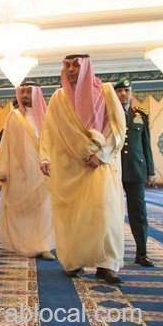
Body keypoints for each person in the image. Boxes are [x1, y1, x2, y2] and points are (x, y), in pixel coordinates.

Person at [40, 54, 126, 284]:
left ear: (86, 66)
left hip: (99, 164)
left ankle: (106, 264)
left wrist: (101, 154)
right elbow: (48, 130)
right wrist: (45, 157)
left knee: (103, 211)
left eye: (75, 65)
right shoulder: (58, 98)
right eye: (66, 65)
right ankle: (75, 260)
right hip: (69, 166)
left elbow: (117, 128)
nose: (70, 69)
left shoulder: (106, 91)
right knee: (73, 216)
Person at [0, 82, 55, 260]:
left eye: (30, 91)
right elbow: (5, 145)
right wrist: (2, 169)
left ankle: (43, 246)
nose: (26, 95)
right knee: (19, 209)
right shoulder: (13, 116)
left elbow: (53, 142)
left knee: (43, 209)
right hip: (18, 171)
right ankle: (20, 243)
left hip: (42, 170)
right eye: (23, 92)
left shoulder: (47, 116)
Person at [115, 77, 155, 267]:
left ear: (131, 93)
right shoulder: (109, 113)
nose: (123, 94)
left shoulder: (140, 114)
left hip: (136, 169)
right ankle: (110, 255)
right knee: (111, 212)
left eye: (126, 90)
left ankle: (142, 253)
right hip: (114, 169)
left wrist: (150, 170)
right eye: (119, 91)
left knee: (138, 212)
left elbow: (146, 144)